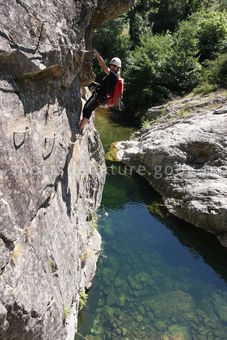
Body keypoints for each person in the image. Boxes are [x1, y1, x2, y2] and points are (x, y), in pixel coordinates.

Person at [79, 49, 122, 131]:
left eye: (115, 66)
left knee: (88, 110)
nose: (112, 67)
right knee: (86, 108)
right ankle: (82, 125)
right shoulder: (111, 75)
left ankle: (80, 128)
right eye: (112, 65)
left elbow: (103, 66)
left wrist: (97, 54)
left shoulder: (114, 76)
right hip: (97, 95)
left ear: (118, 68)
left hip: (100, 97)